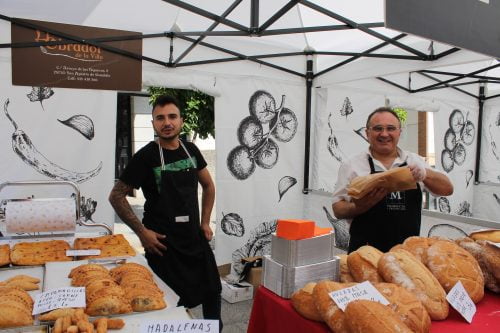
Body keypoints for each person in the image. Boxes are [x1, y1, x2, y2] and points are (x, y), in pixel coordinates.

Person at [108, 95, 222, 328]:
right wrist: (142, 233)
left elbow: (209, 185)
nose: (166, 122)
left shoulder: (191, 150)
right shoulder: (145, 156)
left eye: (172, 116)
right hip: (163, 246)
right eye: (160, 118)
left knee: (212, 290)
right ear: (153, 124)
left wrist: (205, 223)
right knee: (170, 306)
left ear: (181, 120)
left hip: (194, 239)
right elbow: (116, 196)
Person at [332, 107, 453, 253]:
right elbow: (338, 209)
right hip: (364, 253)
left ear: (399, 132)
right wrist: (358, 207)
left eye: (391, 128)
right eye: (378, 128)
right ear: (367, 133)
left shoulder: (414, 161)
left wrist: (425, 173)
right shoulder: (352, 165)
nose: (384, 134)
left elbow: (447, 189)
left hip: (407, 254)